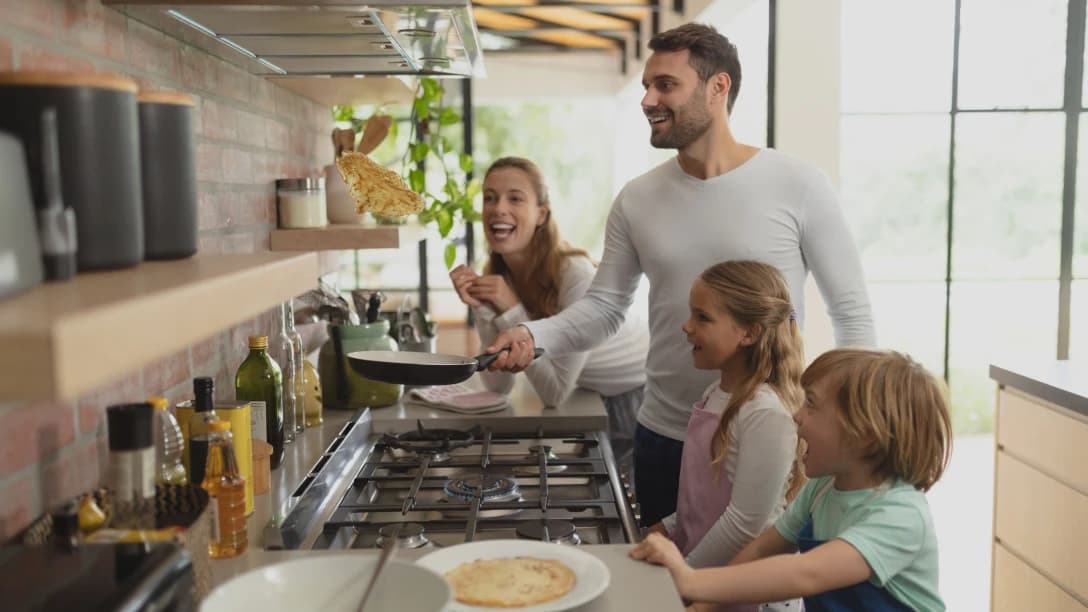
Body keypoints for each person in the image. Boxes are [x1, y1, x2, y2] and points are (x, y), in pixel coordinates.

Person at [481, 22, 876, 526]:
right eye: (646, 85)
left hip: (771, 437)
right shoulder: (637, 198)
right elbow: (604, 308)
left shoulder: (797, 184)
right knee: (665, 589)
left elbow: (851, 311)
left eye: (665, 84)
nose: (647, 99)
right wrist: (531, 335)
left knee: (759, 596)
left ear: (718, 88)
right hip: (665, 433)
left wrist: (854, 419)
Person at [631, 348, 952, 612]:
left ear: (865, 434)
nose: (797, 415)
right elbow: (761, 549)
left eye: (811, 403)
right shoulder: (822, 488)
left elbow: (807, 574)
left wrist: (690, 579)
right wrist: (705, 604)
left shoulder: (900, 516)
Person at [449, 156, 649, 478]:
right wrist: (483, 306)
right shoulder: (502, 276)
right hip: (590, 392)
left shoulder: (574, 273)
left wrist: (512, 308)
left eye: (515, 198)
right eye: (490, 197)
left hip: (635, 396)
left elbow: (554, 393)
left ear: (541, 214)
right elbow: (498, 385)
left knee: (630, 512)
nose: (498, 208)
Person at [653, 260, 805, 611]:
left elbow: (744, 523)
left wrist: (687, 575)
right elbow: (704, 495)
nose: (686, 326)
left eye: (702, 318)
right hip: (709, 577)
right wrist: (665, 526)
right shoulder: (715, 394)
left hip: (748, 591)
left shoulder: (764, 412)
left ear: (748, 333)